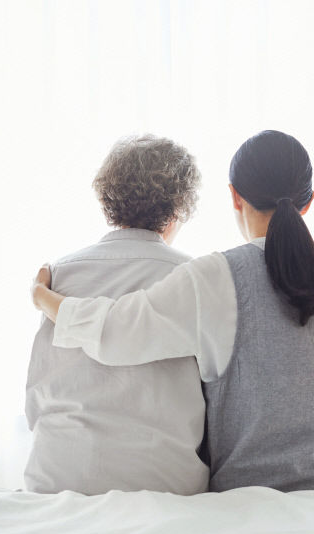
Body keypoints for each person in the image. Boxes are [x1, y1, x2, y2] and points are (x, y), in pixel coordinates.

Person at [31, 130, 314, 493]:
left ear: (235, 196)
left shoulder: (218, 276)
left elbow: (115, 332)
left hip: (252, 503)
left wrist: (42, 296)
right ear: (307, 202)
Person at [25, 135, 208, 495]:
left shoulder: (58, 275)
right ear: (179, 205)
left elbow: (37, 392)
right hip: (164, 484)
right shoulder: (194, 278)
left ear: (109, 198)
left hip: (58, 478)